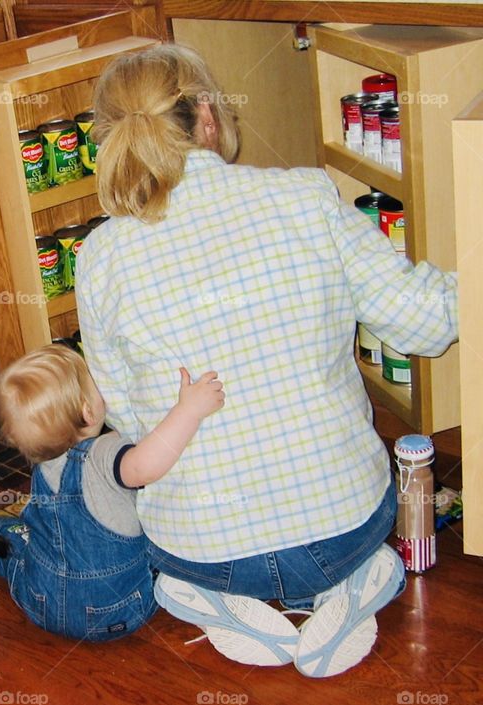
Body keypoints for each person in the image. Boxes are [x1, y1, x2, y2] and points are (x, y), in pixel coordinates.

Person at [76, 44, 458, 677]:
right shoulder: (307, 196)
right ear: (205, 114)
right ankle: (348, 584)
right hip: (348, 528)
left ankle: (221, 599)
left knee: (144, 509)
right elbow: (423, 322)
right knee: (353, 535)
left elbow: (128, 416)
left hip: (204, 551)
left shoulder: (99, 257)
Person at [0, 343, 224, 642]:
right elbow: (145, 465)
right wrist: (188, 411)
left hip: (41, 602)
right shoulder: (105, 453)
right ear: (88, 411)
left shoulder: (43, 462)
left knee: (14, 540)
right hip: (118, 612)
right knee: (163, 562)